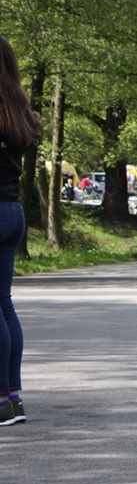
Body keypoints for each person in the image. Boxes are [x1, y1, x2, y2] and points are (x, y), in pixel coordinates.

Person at [0, 36, 37, 427]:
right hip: (13, 212)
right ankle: (14, 397)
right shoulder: (22, 114)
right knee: (4, 304)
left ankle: (1, 401)